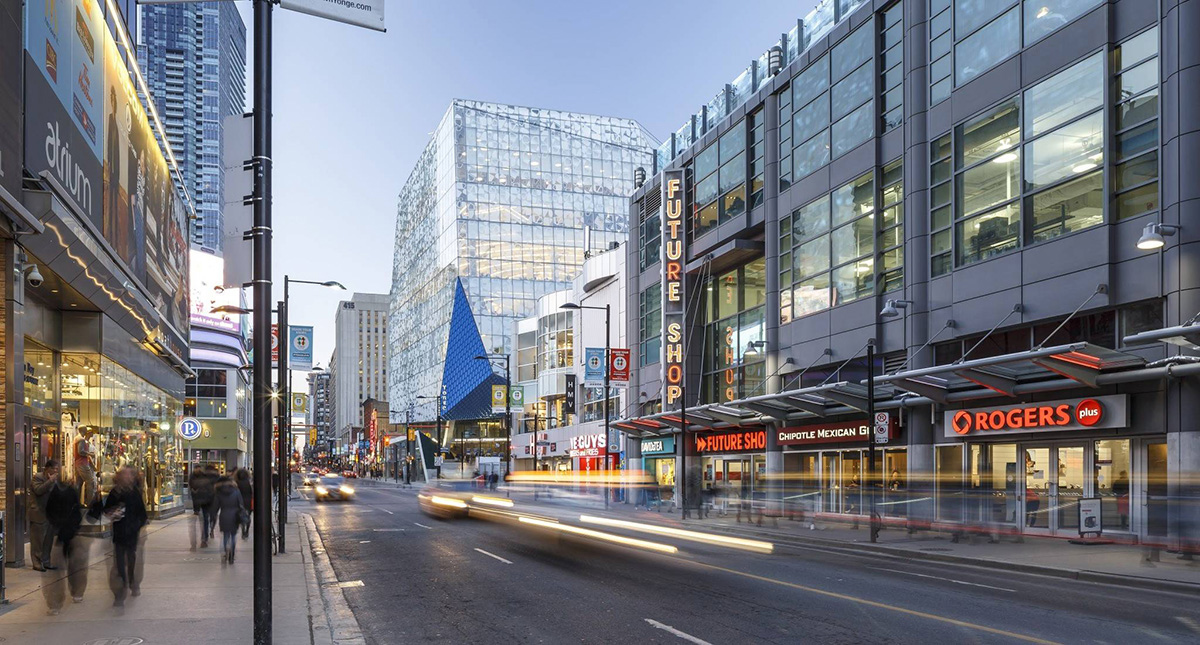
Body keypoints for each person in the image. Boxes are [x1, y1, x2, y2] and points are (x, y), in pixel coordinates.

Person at [42, 472, 87, 613]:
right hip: (69, 533)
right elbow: (77, 512)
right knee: (76, 565)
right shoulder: (71, 492)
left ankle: (55, 604)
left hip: (60, 533)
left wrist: (56, 525)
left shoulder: (55, 493)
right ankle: (76, 593)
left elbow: (48, 511)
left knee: (58, 569)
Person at [104, 467, 147, 607]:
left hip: (131, 533)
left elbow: (142, 514)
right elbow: (107, 510)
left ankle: (133, 582)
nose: (126, 478)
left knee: (131, 559)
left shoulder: (134, 493)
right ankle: (120, 593)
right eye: (124, 476)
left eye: (128, 476)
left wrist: (137, 525)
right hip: (120, 532)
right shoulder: (115, 493)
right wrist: (113, 513)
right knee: (119, 563)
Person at [29, 459, 61, 572]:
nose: (56, 471)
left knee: (48, 540)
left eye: (57, 469)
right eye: (55, 469)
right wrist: (50, 481)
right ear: (48, 468)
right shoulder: (37, 477)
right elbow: (38, 490)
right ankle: (37, 562)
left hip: (49, 514)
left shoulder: (54, 480)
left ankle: (46, 561)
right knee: (37, 540)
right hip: (38, 513)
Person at [214, 474, 244, 563]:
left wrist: (213, 515)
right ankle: (232, 554)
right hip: (235, 516)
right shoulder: (236, 491)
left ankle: (225, 552)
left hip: (224, 515)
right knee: (233, 536)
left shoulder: (219, 492)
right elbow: (241, 504)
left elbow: (216, 505)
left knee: (225, 536)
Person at [188, 465, 218, 548]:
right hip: (203, 502)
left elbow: (193, 490)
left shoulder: (194, 477)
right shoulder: (203, 477)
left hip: (202, 502)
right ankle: (203, 539)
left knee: (203, 520)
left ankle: (202, 539)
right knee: (204, 520)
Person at [235, 468, 253, 539]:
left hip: (240, 502)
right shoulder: (249, 483)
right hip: (248, 502)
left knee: (242, 516)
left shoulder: (237, 483)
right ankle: (247, 531)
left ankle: (243, 530)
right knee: (248, 516)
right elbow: (251, 492)